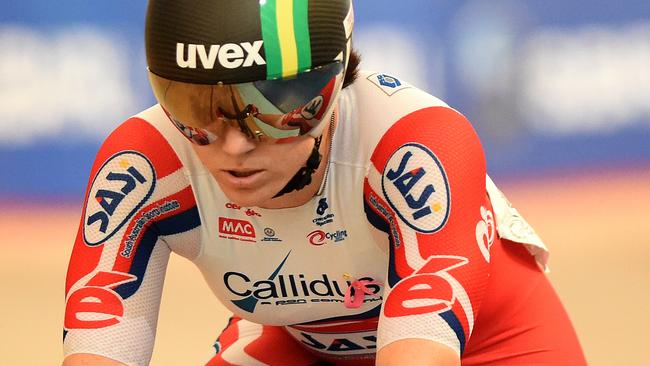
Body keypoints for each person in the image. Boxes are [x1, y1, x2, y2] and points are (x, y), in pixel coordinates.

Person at [62, 0, 587, 365]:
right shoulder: (144, 161)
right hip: (298, 344)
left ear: (335, 85)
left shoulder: (416, 143)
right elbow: (102, 342)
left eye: (277, 108)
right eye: (196, 109)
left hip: (491, 344)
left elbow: (424, 340)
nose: (234, 145)